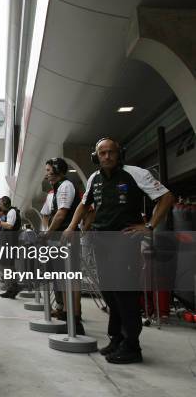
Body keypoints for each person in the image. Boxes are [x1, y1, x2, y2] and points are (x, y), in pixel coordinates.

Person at [64, 137, 174, 364]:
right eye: (102, 153)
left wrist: (149, 226)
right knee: (109, 292)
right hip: (100, 241)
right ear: (96, 156)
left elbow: (166, 197)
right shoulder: (94, 178)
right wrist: (71, 227)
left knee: (125, 294)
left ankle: (132, 346)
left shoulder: (136, 173)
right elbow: (84, 205)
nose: (107, 156)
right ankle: (117, 338)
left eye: (111, 152)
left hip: (125, 242)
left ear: (119, 153)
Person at [43, 157, 84, 335]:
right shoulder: (59, 187)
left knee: (71, 279)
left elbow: (61, 214)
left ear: (57, 169)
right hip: (61, 239)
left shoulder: (65, 186)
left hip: (65, 239)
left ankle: (75, 320)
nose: (47, 173)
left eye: (48, 170)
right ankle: (68, 315)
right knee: (64, 279)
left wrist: (48, 233)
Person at [0, 196, 22, 299]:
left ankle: (13, 286)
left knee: (5, 265)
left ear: (5, 203)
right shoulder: (10, 212)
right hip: (8, 243)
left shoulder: (12, 212)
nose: (0, 206)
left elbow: (10, 226)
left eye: (1, 203)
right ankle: (11, 287)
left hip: (9, 243)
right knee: (6, 265)